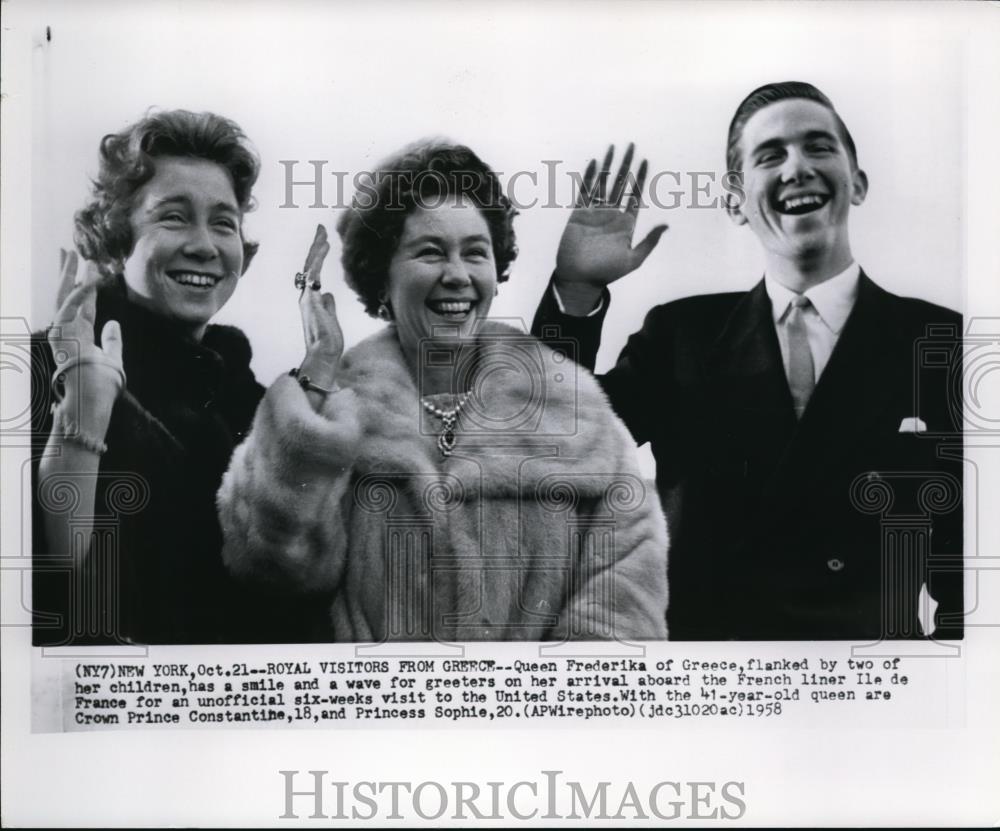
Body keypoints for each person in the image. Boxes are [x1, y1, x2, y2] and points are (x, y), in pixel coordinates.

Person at [532, 82, 963, 641]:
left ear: (857, 183)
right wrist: (576, 289)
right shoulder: (680, 336)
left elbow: (973, 558)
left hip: (866, 695)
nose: (798, 167)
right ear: (734, 202)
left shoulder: (940, 342)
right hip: (709, 689)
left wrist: (946, 684)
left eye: (819, 147)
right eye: (771, 155)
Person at [217, 140, 668, 642]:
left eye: (475, 252)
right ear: (382, 278)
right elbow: (271, 568)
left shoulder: (579, 415)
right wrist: (318, 377)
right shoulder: (330, 416)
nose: (457, 275)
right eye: (430, 252)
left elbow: (624, 599)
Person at [31, 109, 325, 644]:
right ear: (117, 238)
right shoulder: (43, 366)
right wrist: (84, 406)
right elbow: (47, 583)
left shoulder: (241, 398)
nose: (205, 245)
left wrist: (318, 375)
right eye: (173, 217)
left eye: (223, 222)